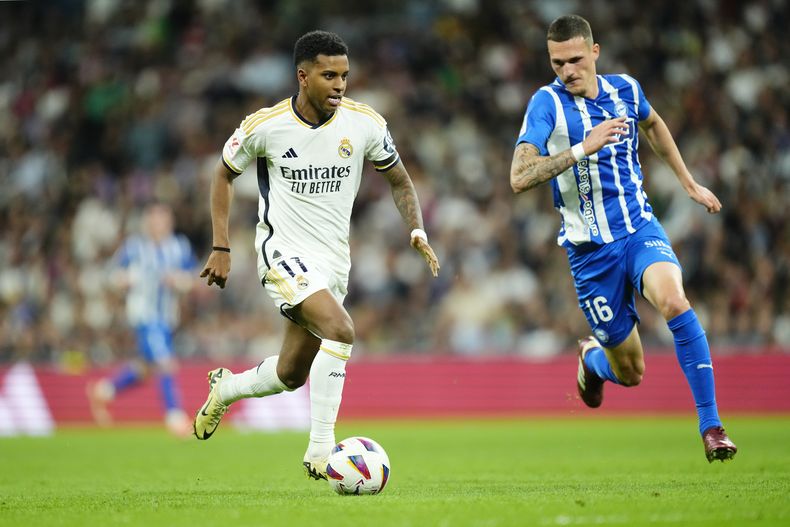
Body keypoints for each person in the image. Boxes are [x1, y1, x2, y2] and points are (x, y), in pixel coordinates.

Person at [193, 30, 440, 480]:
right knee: (341, 329)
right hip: (282, 253)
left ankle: (224, 389)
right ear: (303, 77)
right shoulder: (266, 126)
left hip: (333, 263)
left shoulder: (364, 123)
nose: (340, 85)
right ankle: (321, 452)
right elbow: (223, 174)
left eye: (344, 75)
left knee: (290, 374)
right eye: (329, 76)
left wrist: (417, 229)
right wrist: (221, 245)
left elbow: (400, 180)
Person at [510, 15, 736, 462]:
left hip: (638, 230)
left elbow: (653, 124)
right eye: (557, 63)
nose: (567, 71)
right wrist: (582, 147)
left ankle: (711, 427)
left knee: (674, 301)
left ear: (595, 52)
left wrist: (688, 182)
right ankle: (592, 361)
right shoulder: (546, 104)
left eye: (576, 60)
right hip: (590, 254)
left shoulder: (626, 90)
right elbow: (519, 176)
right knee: (631, 372)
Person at [87, 202, 196, 437]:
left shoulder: (180, 247)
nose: (159, 225)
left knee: (146, 369)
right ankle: (175, 417)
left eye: (163, 220)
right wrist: (123, 279)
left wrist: (179, 280)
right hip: (145, 315)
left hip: (168, 317)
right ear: (147, 223)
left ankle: (104, 391)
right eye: (154, 220)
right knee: (165, 361)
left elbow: (193, 278)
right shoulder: (134, 247)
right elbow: (112, 275)